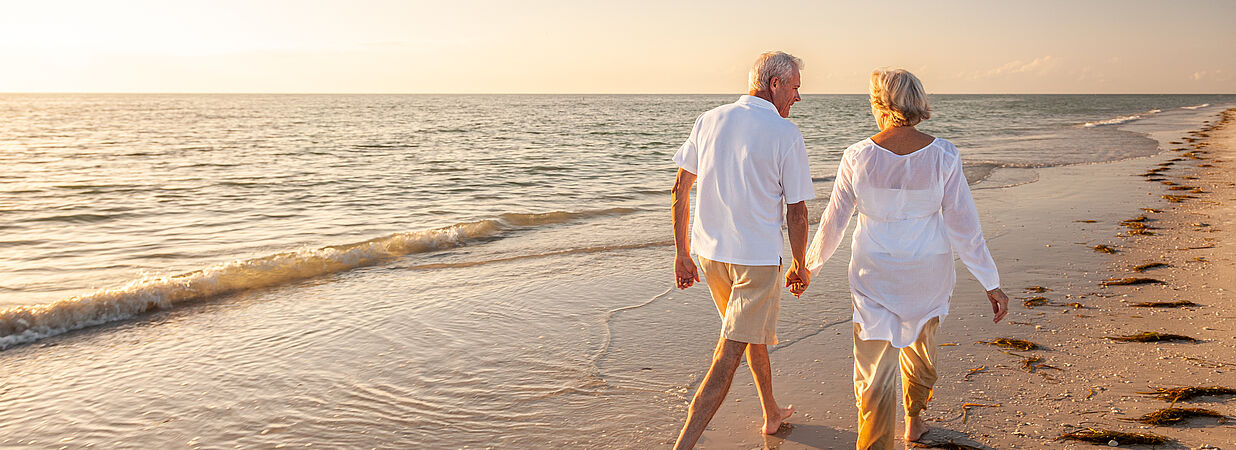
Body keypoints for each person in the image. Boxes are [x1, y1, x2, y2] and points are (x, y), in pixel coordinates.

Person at [804, 68, 1009, 450]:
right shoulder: (944, 154)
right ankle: (914, 421)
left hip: (873, 274)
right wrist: (990, 282)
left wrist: (807, 267)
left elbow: (833, 222)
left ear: (880, 104)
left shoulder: (857, 155)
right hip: (927, 275)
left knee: (872, 372)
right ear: (917, 102)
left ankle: (875, 443)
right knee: (921, 354)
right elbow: (965, 226)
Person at [670, 51, 815, 449]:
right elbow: (797, 211)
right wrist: (801, 265)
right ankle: (684, 443)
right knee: (728, 354)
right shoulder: (787, 134)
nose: (797, 98)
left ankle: (770, 411)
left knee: (749, 334)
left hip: (710, 256)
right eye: (796, 88)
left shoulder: (710, 118)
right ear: (775, 85)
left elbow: (681, 188)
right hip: (756, 262)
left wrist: (682, 253)